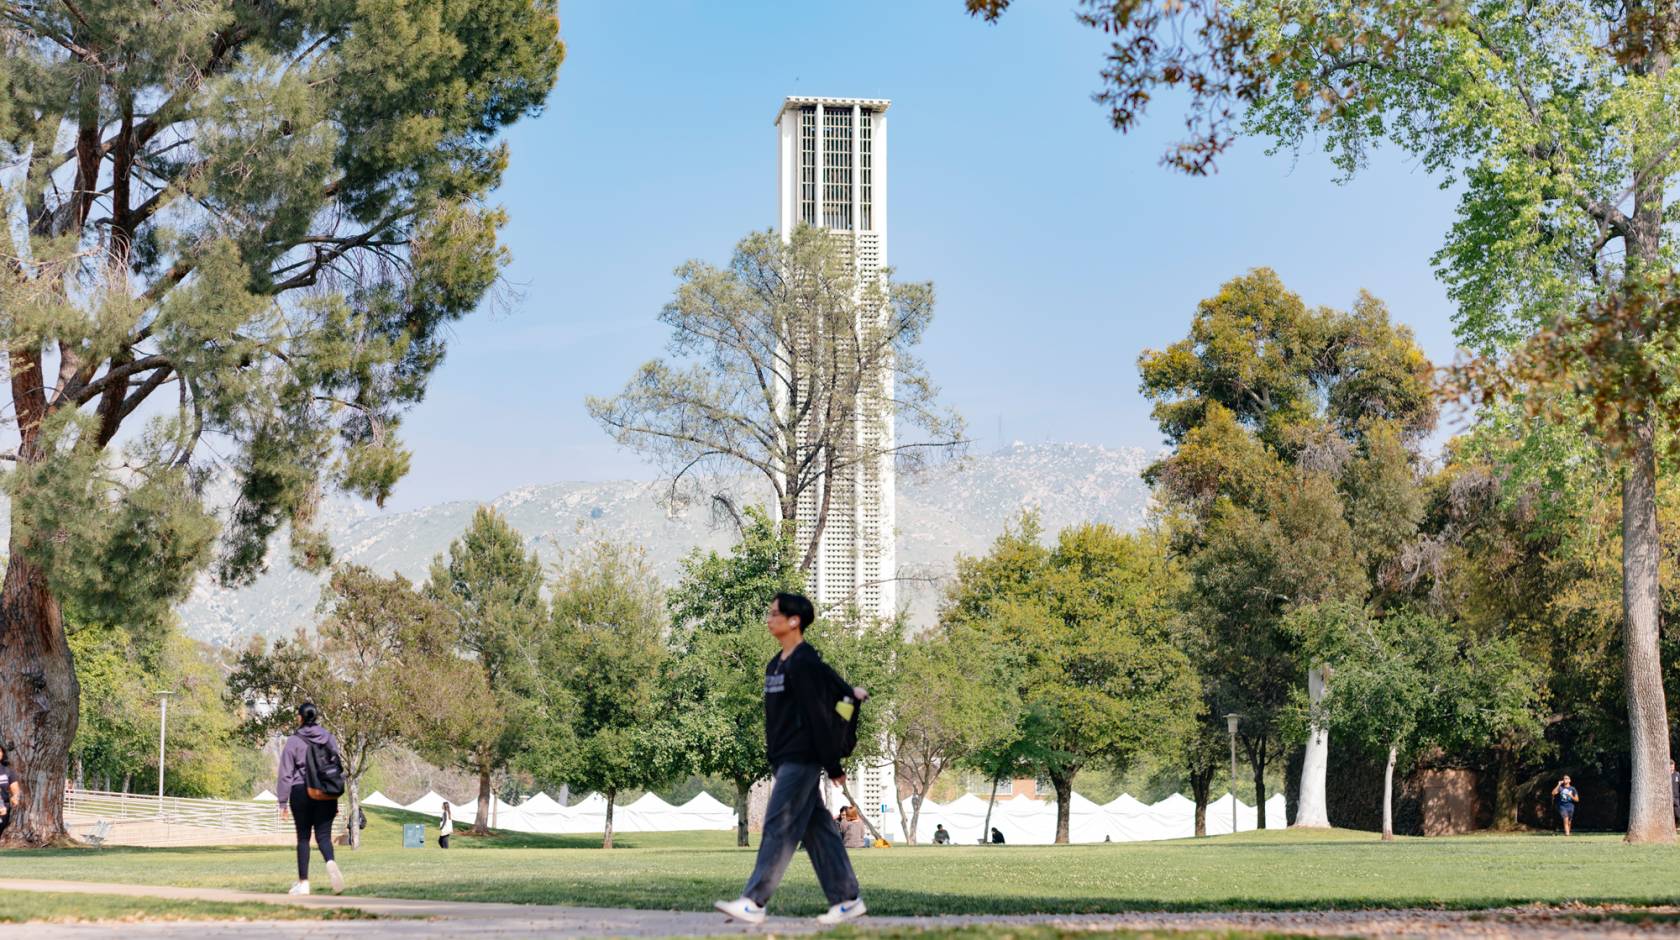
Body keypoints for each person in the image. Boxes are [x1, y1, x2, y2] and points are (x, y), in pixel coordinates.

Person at [715, 592, 868, 927]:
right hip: (783, 758)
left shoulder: (805, 663)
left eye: (775, 614)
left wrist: (833, 763)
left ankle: (754, 901)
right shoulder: (776, 664)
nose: (769, 619)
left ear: (794, 621)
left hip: (803, 757)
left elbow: (823, 714)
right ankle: (847, 900)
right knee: (818, 830)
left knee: (778, 825)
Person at [277, 703, 345, 895]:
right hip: (325, 792)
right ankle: (330, 861)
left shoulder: (293, 741)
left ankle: (304, 883)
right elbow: (335, 769)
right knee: (323, 837)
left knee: (303, 838)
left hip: (301, 791)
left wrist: (282, 802)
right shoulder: (329, 738)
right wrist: (334, 798)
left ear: (300, 717)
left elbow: (285, 774)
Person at [0, 744, 21, 840]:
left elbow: (15, 790)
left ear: (2, 754)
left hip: (3, 808)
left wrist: (15, 797)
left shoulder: (8, 771)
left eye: (0, 751)